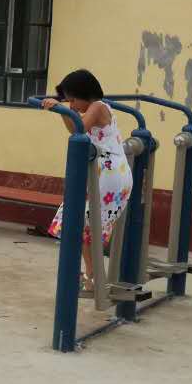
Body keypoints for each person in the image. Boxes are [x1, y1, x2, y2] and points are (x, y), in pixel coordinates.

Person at [39, 69, 133, 297]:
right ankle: (92, 275)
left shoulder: (98, 107)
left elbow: (78, 128)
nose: (71, 105)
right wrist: (66, 110)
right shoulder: (94, 108)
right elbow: (76, 129)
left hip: (109, 176)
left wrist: (61, 110)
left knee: (82, 224)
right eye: (68, 101)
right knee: (81, 225)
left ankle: (94, 276)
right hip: (102, 174)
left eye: (73, 100)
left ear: (85, 93)